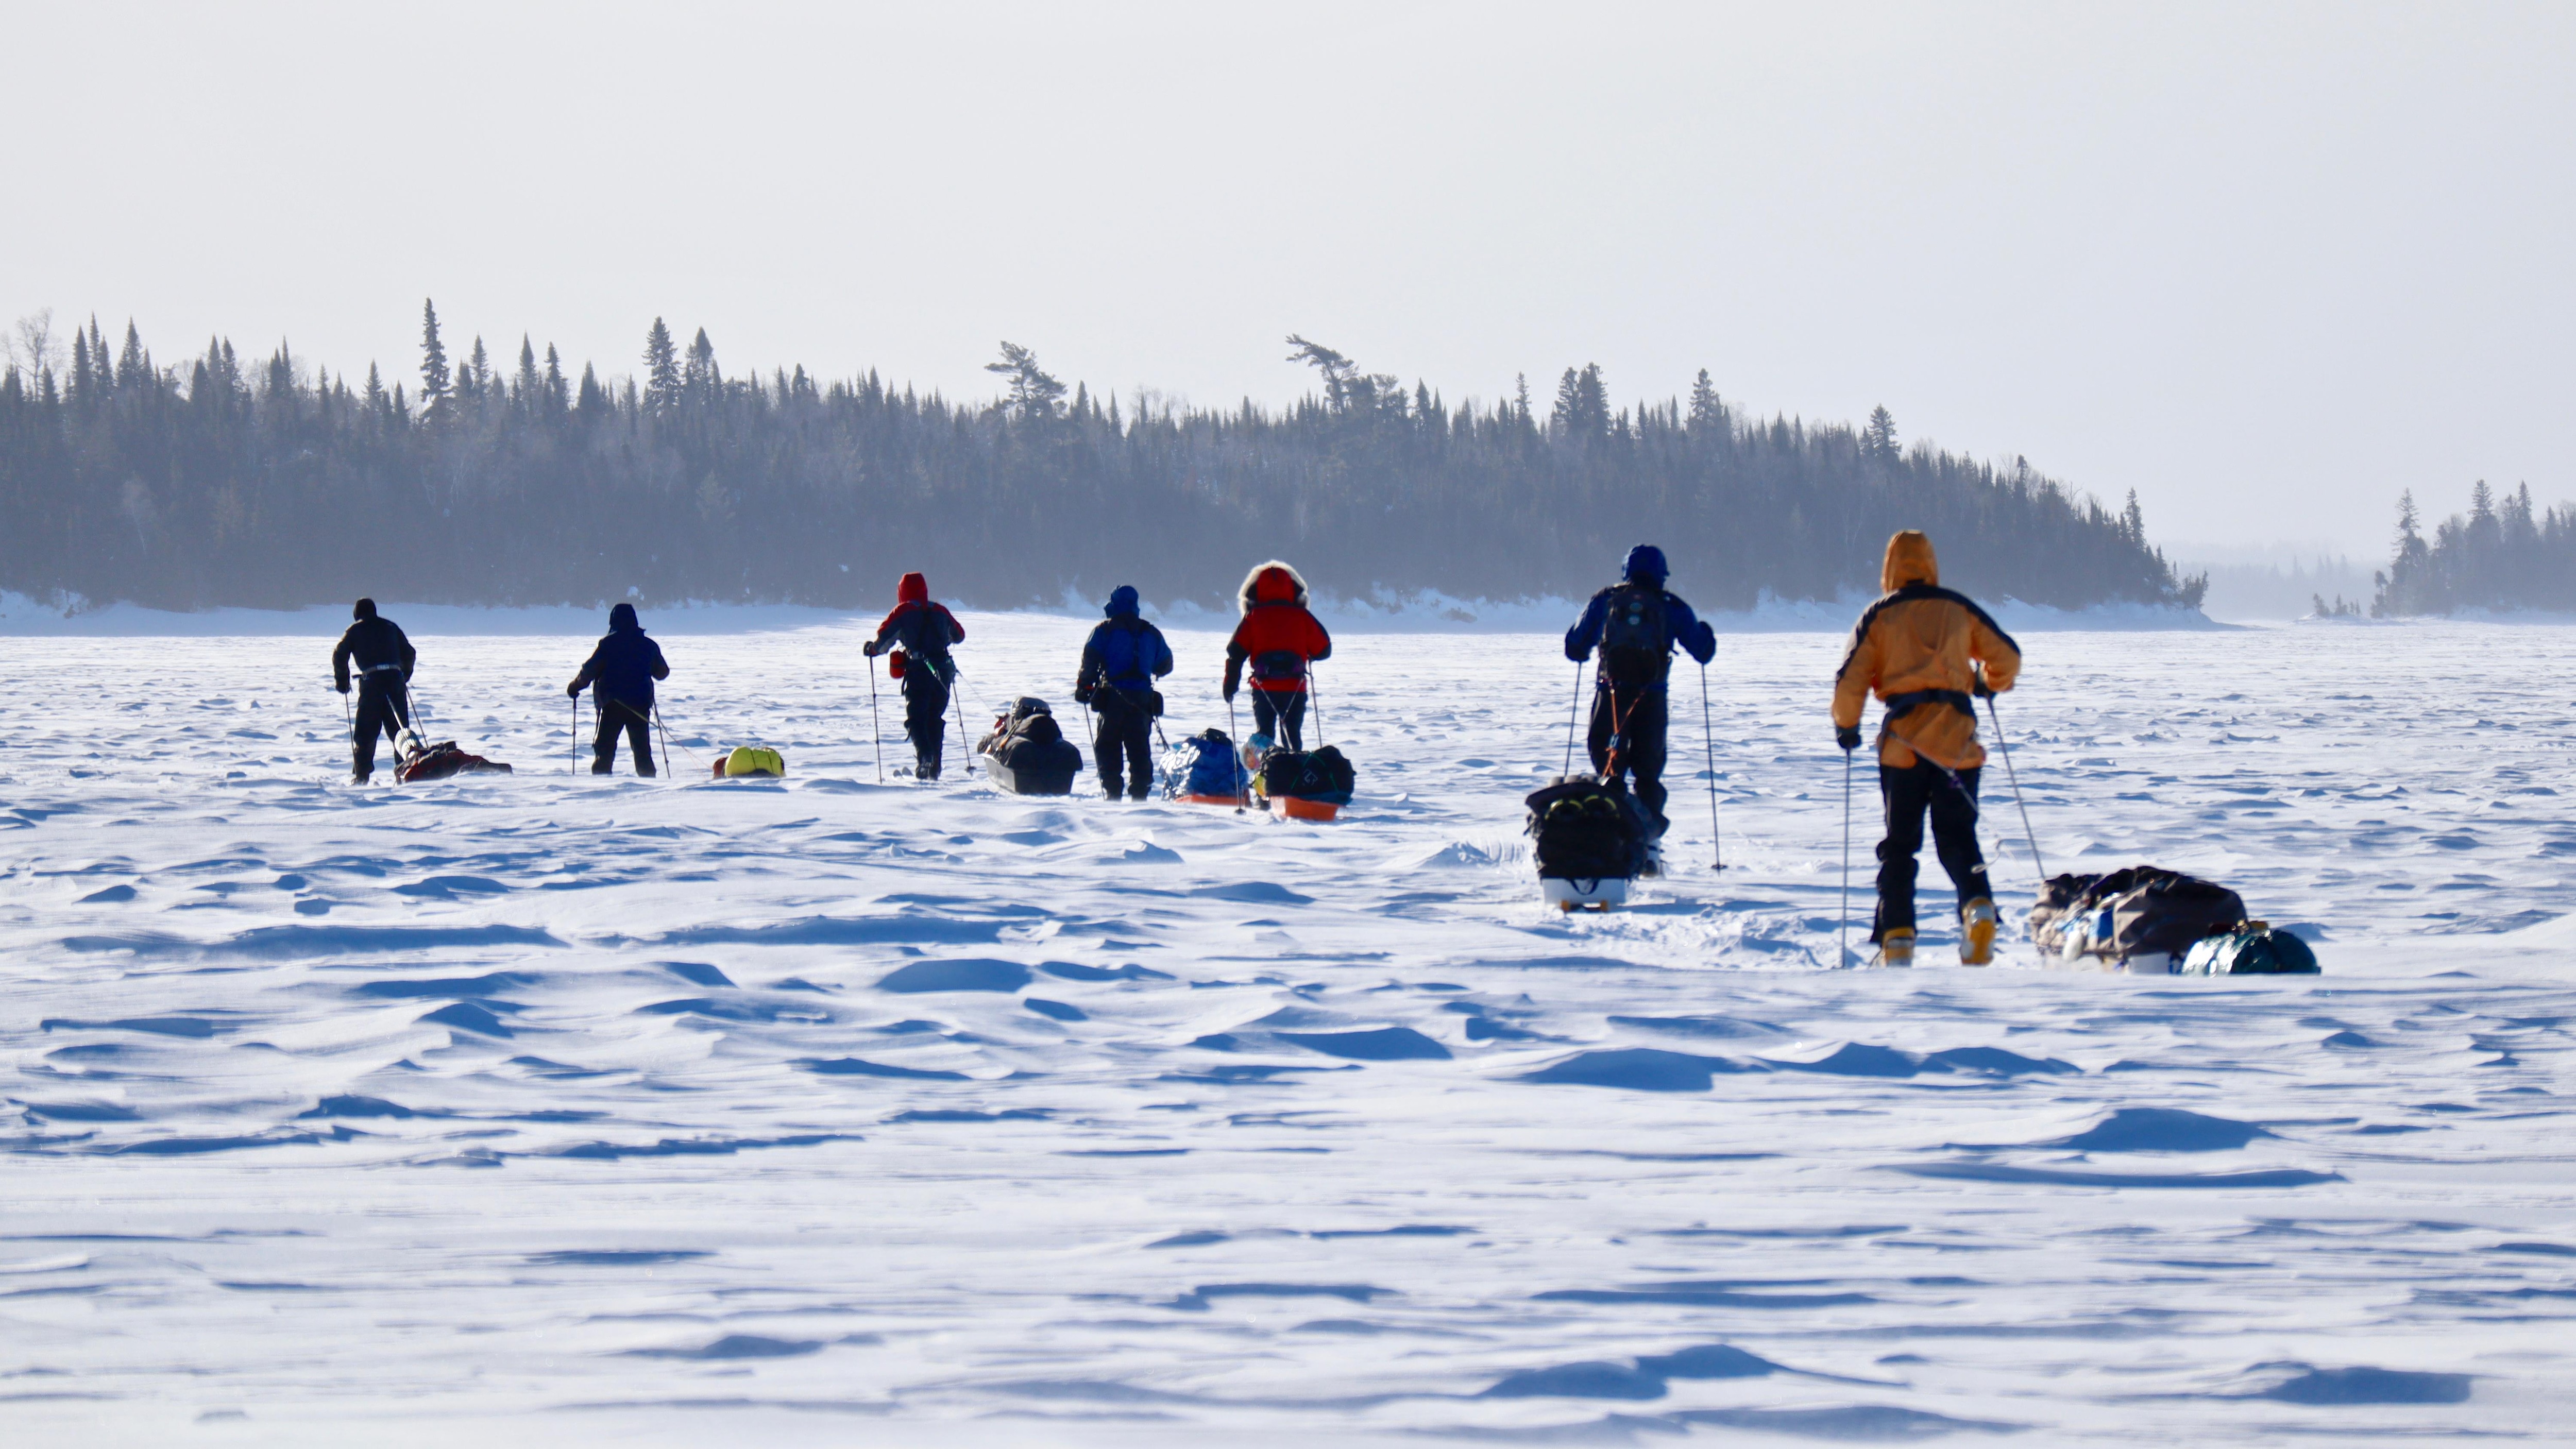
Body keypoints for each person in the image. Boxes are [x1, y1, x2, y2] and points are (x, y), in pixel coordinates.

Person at [1831, 529, 2023, 967]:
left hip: (1903, 747)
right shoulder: (1957, 608)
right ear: (1932, 564)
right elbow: (2008, 658)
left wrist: (1847, 726)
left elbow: (1850, 680)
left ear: (1889, 568)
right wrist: (1985, 683)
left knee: (1901, 844)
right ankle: (1978, 907)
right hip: (1957, 742)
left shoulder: (1879, 615)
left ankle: (1897, 935)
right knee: (1958, 837)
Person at [1563, 544, 1718, 843]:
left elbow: (1575, 648)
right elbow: (1703, 652)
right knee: (1648, 773)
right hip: (1652, 699)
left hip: (1610, 697)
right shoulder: (1671, 605)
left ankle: (1606, 836)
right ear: (1661, 574)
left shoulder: (1606, 600)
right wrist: (1706, 632)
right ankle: (1647, 842)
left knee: (1609, 767)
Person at [1074, 584, 1175, 799]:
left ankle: (1113, 794)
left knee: (1108, 746)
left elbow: (1090, 661)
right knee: (1139, 748)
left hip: (1113, 698)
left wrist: (1085, 687)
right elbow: (1166, 665)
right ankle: (1140, 795)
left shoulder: (1104, 631)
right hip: (1142, 700)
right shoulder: (1151, 632)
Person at [862, 572, 965, 780]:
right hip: (943, 672)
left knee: (917, 719)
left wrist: (870, 650)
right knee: (934, 717)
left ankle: (925, 758)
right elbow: (959, 636)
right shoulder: (939, 610)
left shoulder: (903, 611)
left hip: (919, 671)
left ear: (902, 592)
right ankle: (934, 767)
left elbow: (883, 643)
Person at [1222, 561, 1331, 752]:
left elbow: (1236, 653)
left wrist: (1230, 685)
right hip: (1295, 688)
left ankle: (1267, 776)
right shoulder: (1301, 616)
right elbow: (1323, 650)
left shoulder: (1253, 617)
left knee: (1264, 737)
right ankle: (1295, 775)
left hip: (1264, 688)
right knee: (1293, 736)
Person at [567, 602, 671, 776]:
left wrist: (575, 687)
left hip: (612, 704)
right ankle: (650, 785)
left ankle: (601, 787)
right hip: (640, 705)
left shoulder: (608, 644)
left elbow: (589, 672)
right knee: (642, 750)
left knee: (605, 751)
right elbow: (662, 673)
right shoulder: (649, 645)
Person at [331, 598, 417, 783]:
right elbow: (409, 653)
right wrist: (404, 675)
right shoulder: (390, 627)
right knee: (400, 731)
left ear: (357, 614)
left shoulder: (355, 630)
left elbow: (339, 654)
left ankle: (361, 777)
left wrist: (343, 682)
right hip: (395, 681)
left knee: (366, 732)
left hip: (372, 683)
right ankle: (407, 774)